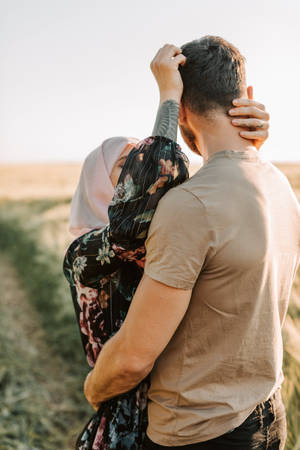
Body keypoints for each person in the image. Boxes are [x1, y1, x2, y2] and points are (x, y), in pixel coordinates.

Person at [82, 37, 300, 450]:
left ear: (181, 107)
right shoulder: (279, 185)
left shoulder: (190, 206)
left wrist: (94, 388)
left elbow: (132, 359)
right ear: (246, 97)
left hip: (199, 432)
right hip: (269, 416)